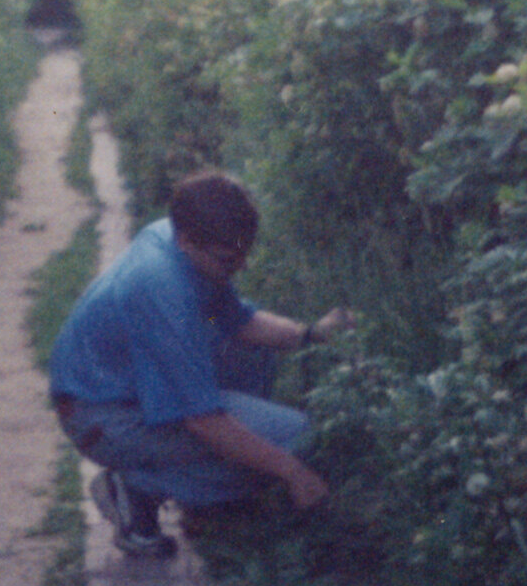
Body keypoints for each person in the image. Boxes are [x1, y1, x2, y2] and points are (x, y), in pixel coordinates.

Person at [48, 170, 354, 560]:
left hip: (121, 388)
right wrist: (292, 471)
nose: (241, 266)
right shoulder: (161, 289)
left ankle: (208, 487)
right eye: (229, 259)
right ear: (188, 240)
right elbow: (204, 421)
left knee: (252, 352)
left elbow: (238, 321)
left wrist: (310, 334)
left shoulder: (177, 238)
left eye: (245, 252)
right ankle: (138, 490)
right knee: (297, 438)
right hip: (102, 417)